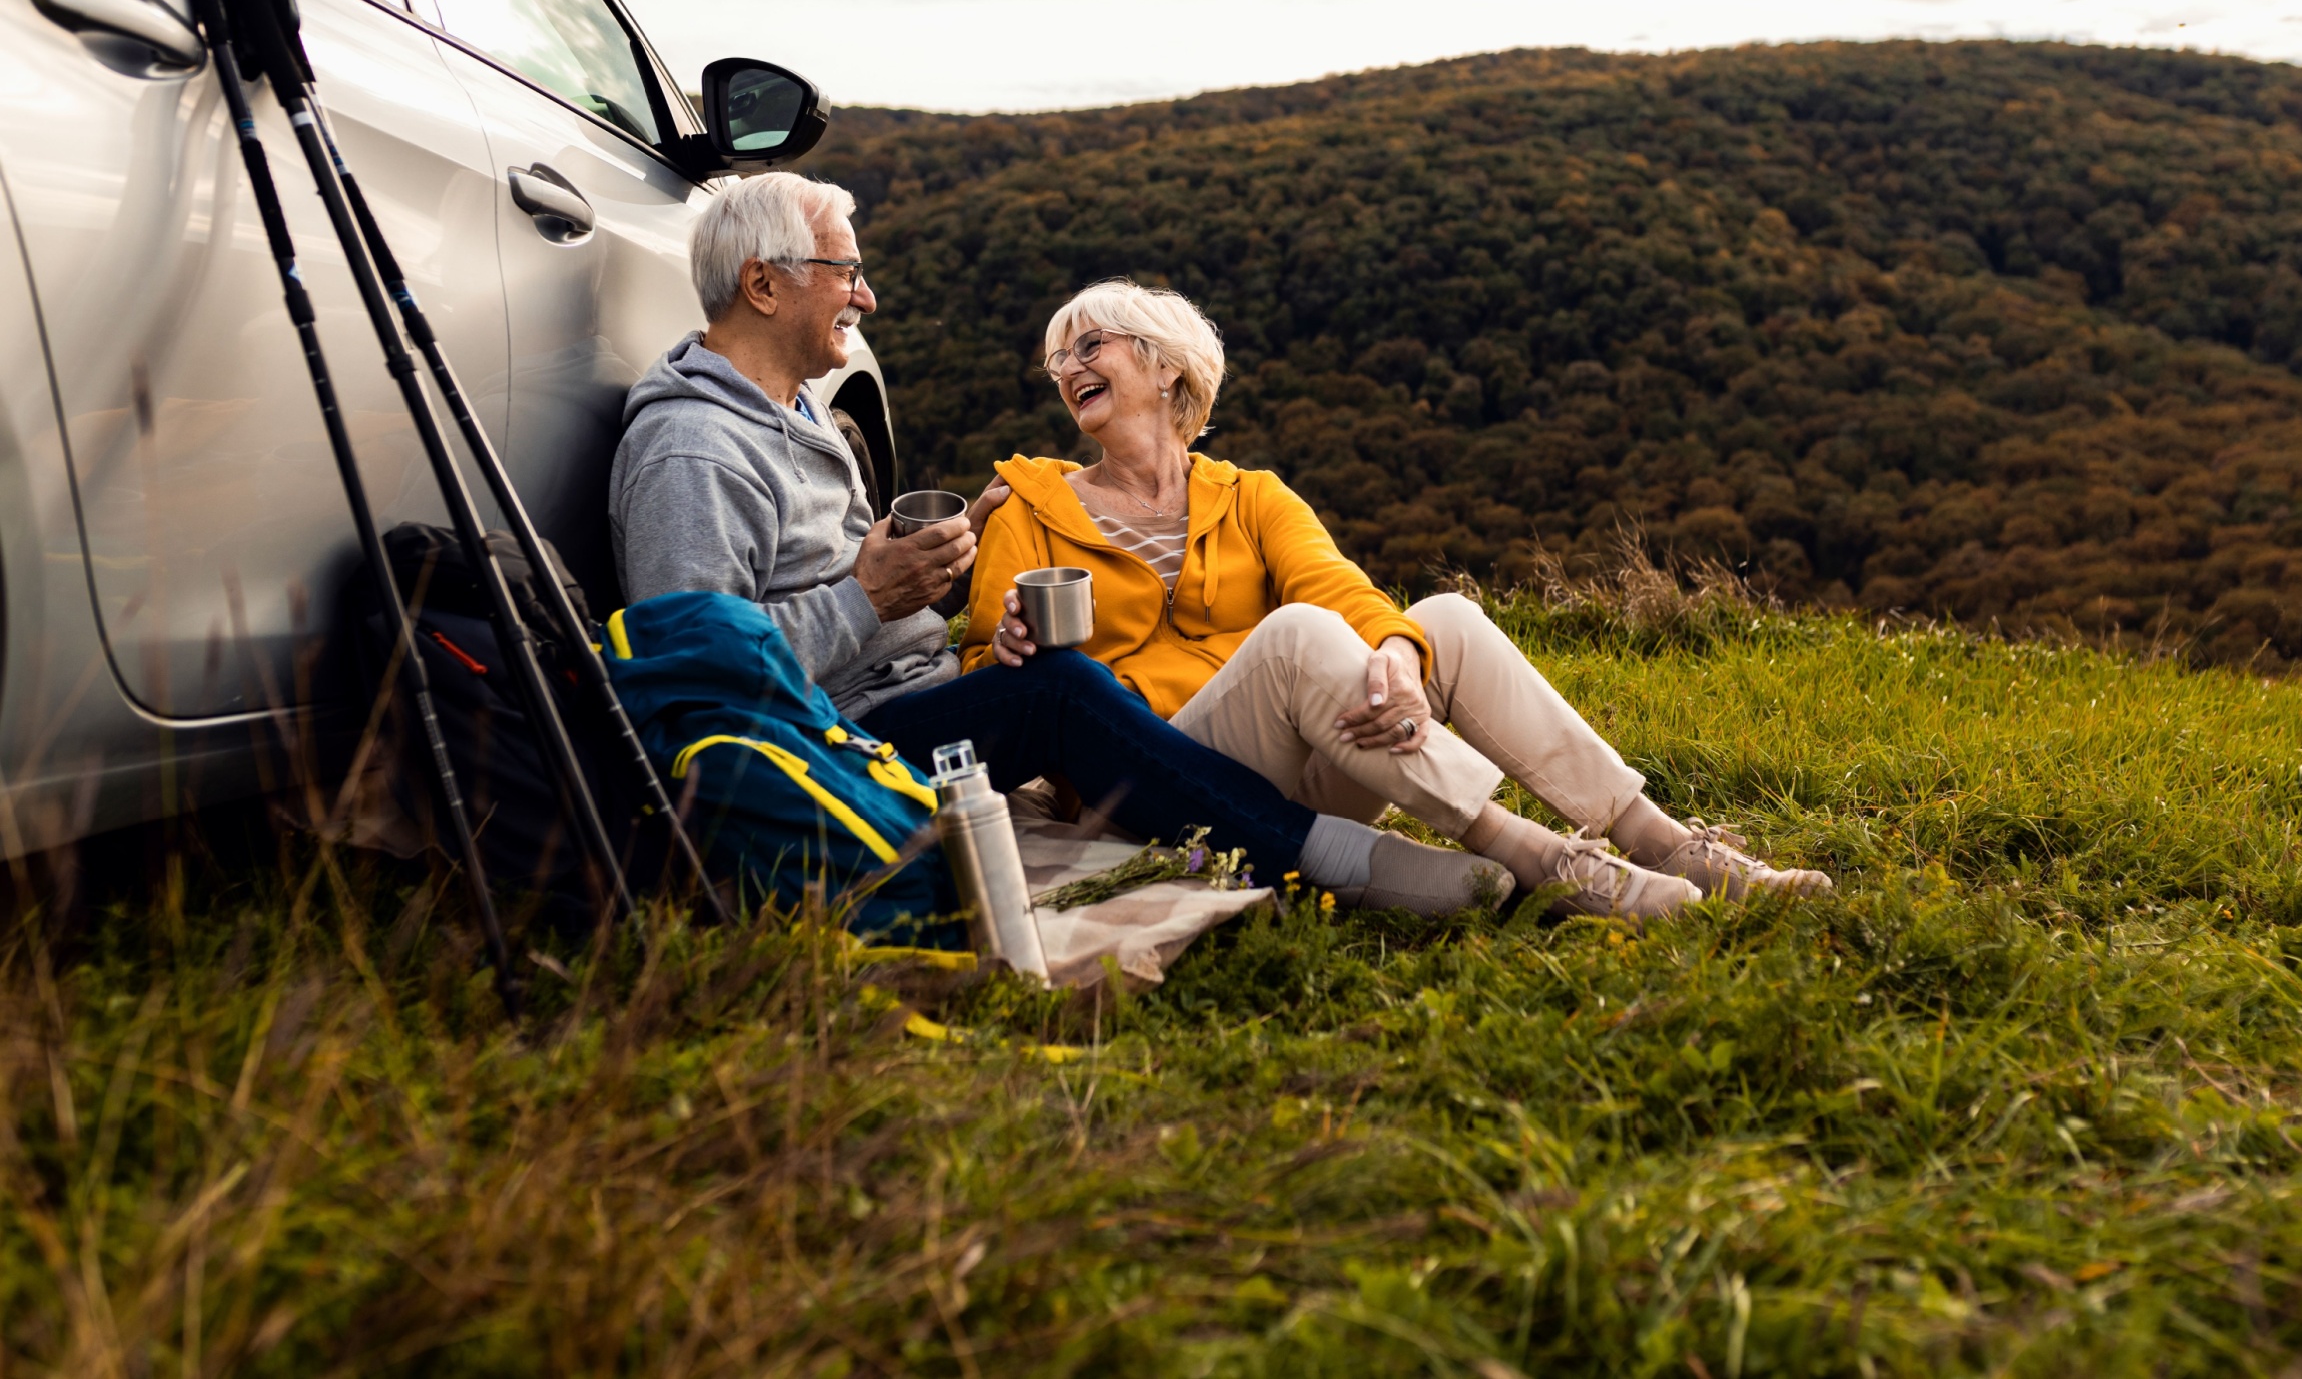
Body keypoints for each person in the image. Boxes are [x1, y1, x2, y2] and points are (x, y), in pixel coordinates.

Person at [609, 173, 1503, 912]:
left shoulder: (798, 413)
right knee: (1064, 691)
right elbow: (698, 684)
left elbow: (829, 595)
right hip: (839, 741)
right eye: (846, 271)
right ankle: (1344, 864)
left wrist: (925, 571)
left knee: (1060, 684)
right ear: (764, 286)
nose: (867, 296)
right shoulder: (694, 450)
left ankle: (1408, 845)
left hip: (907, 696)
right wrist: (867, 597)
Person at [961, 280, 1835, 920]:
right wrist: (1005, 651)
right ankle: (1550, 861)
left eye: (1088, 346)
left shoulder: (1249, 495)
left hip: (1303, 762)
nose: (1066, 368)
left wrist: (1402, 658)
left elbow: (1343, 589)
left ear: (1163, 366)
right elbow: (984, 677)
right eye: (1057, 359)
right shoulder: (1027, 505)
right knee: (1300, 635)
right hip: (1149, 782)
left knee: (1442, 617)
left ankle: (1665, 841)